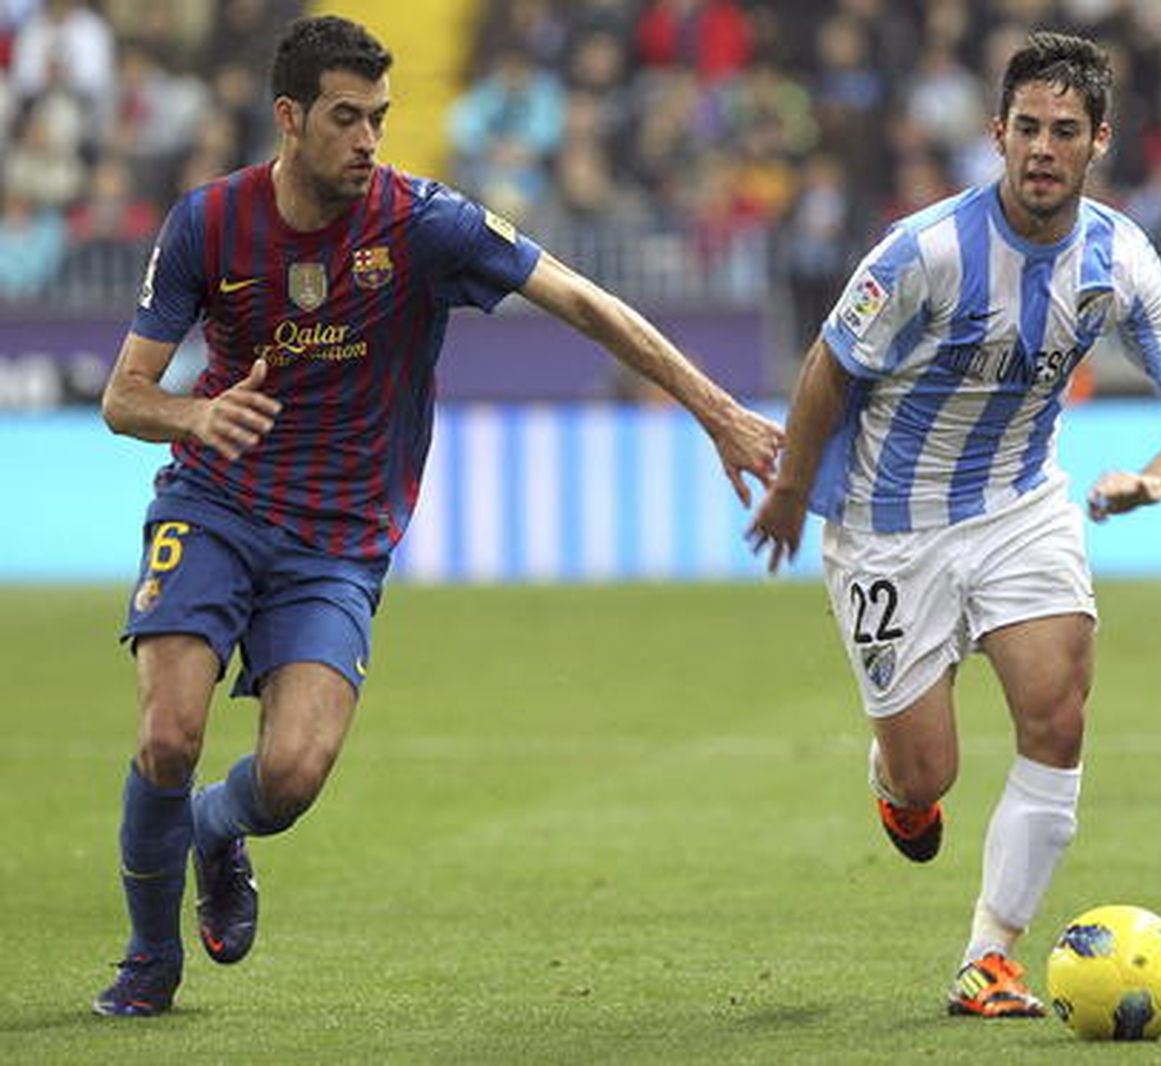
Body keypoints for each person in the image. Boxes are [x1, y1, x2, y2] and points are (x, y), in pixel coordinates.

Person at [92, 15, 782, 1017]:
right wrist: (195, 414)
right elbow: (123, 398)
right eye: (346, 117)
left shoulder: (424, 223)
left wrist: (716, 410)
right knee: (168, 733)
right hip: (215, 502)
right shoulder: (210, 221)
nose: (368, 139)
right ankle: (148, 961)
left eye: (379, 117)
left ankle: (214, 828)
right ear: (289, 117)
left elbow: (583, 301)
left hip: (336, 540)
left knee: (292, 775)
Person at [747, 31, 1161, 1017]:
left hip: (1019, 504)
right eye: (1027, 128)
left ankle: (989, 956)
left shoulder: (1119, 256)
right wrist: (794, 488)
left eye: (1065, 131)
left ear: (1100, 140)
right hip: (889, 526)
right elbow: (829, 363)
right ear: (996, 133)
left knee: (1057, 715)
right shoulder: (925, 250)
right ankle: (896, 780)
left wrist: (1155, 480)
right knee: (928, 773)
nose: (1043, 149)